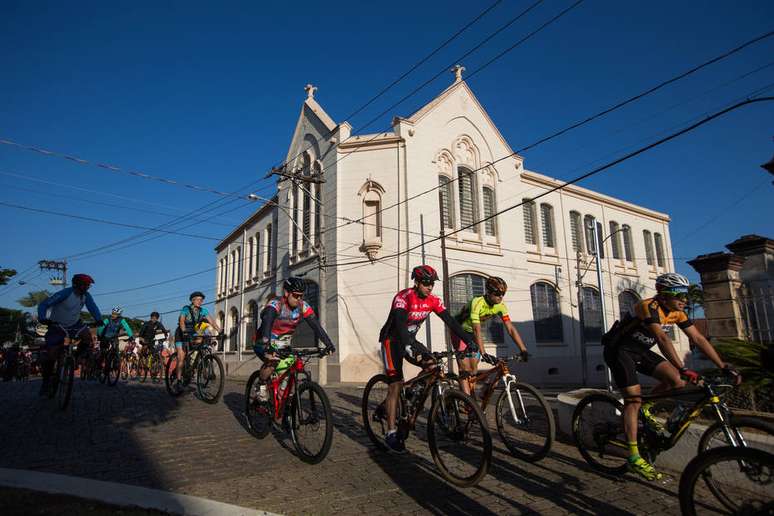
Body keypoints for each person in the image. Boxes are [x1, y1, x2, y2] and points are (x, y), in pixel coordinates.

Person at [602, 272, 740, 481]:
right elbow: (662, 338)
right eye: (679, 296)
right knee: (633, 399)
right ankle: (634, 456)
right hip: (619, 351)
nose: (684, 300)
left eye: (685, 296)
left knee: (676, 381)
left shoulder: (677, 312)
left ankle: (646, 411)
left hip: (640, 351)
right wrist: (683, 366)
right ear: (663, 295)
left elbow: (697, 338)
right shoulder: (648, 306)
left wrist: (722, 365)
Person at [379, 265, 478, 453]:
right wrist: (406, 345)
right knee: (395, 384)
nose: (430, 286)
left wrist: (469, 341)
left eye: (432, 283)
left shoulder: (432, 300)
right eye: (426, 283)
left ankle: (413, 391)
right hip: (392, 341)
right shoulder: (403, 297)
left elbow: (450, 321)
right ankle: (391, 432)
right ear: (416, 282)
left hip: (411, 340)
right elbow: (400, 323)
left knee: (433, 366)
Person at [253, 277, 335, 392]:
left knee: (290, 366)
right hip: (263, 341)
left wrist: (328, 343)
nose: (299, 299)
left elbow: (316, 326)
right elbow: (267, 321)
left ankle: (282, 397)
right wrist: (267, 344)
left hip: (283, 345)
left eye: (301, 296)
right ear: (286, 293)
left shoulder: (302, 306)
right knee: (273, 362)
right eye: (296, 295)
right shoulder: (276, 303)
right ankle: (260, 384)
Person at [453, 276, 529, 396]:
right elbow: (477, 330)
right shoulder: (477, 302)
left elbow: (510, 328)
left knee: (473, 369)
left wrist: (523, 349)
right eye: (498, 293)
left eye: (503, 294)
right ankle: (468, 403)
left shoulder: (500, 306)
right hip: (459, 331)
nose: (500, 297)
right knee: (465, 369)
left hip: (472, 333)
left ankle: (470, 397)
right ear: (488, 292)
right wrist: (483, 352)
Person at [36, 274, 102, 394]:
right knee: (51, 355)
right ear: (76, 284)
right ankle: (46, 381)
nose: (87, 288)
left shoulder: (86, 296)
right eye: (85, 285)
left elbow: (93, 308)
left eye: (88, 286)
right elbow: (44, 304)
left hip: (75, 324)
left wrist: (98, 319)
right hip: (57, 325)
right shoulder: (65, 293)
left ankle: (75, 358)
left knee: (87, 338)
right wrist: (42, 317)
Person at [174, 292, 221, 383]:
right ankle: (179, 380)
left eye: (202, 300)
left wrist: (220, 331)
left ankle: (194, 364)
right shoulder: (186, 309)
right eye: (198, 299)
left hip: (192, 333)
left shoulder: (203, 311)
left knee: (202, 342)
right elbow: (182, 321)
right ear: (192, 300)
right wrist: (184, 331)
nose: (200, 301)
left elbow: (212, 322)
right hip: (181, 333)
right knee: (181, 356)